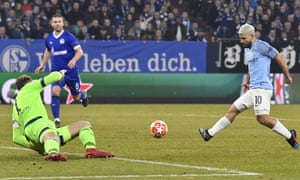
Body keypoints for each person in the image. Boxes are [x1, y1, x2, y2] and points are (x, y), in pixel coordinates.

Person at [199, 23, 299, 149]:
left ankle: (290, 136)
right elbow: (252, 67)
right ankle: (209, 133)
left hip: (262, 88)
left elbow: (278, 56)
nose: (241, 41)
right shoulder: (247, 49)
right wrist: (247, 81)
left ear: (252, 36)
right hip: (253, 89)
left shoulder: (261, 46)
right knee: (233, 110)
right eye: (240, 38)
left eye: (244, 38)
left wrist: (287, 75)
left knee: (262, 118)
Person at [12, 71, 114, 161]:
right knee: (50, 134)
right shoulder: (30, 86)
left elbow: (16, 138)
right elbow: (54, 76)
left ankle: (91, 150)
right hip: (38, 126)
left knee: (84, 125)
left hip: (42, 132)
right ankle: (52, 153)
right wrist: (62, 72)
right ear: (28, 83)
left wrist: (36, 147)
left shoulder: (16, 107)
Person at [35, 13, 88, 128]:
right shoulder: (49, 38)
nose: (57, 23)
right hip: (57, 71)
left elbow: (80, 52)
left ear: (63, 23)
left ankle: (83, 96)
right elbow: (48, 51)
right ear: (51, 24)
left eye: (59, 21)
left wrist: (74, 60)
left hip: (71, 72)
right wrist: (42, 65)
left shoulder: (69, 37)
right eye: (55, 22)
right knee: (55, 91)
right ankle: (57, 119)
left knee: (76, 97)